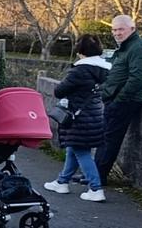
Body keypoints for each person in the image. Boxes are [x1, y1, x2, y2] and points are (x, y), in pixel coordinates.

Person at [44, 35, 109, 202]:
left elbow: (59, 91)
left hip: (79, 117)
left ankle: (95, 188)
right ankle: (62, 182)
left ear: (80, 51)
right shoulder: (105, 69)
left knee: (82, 152)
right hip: (95, 115)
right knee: (74, 149)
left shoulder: (80, 70)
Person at [94, 14, 142, 186]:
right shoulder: (125, 47)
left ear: (132, 29)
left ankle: (98, 178)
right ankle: (94, 175)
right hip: (114, 99)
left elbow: (138, 79)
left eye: (120, 29)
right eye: (114, 29)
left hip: (125, 101)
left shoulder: (138, 47)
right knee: (104, 137)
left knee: (110, 138)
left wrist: (119, 99)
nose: (116, 33)